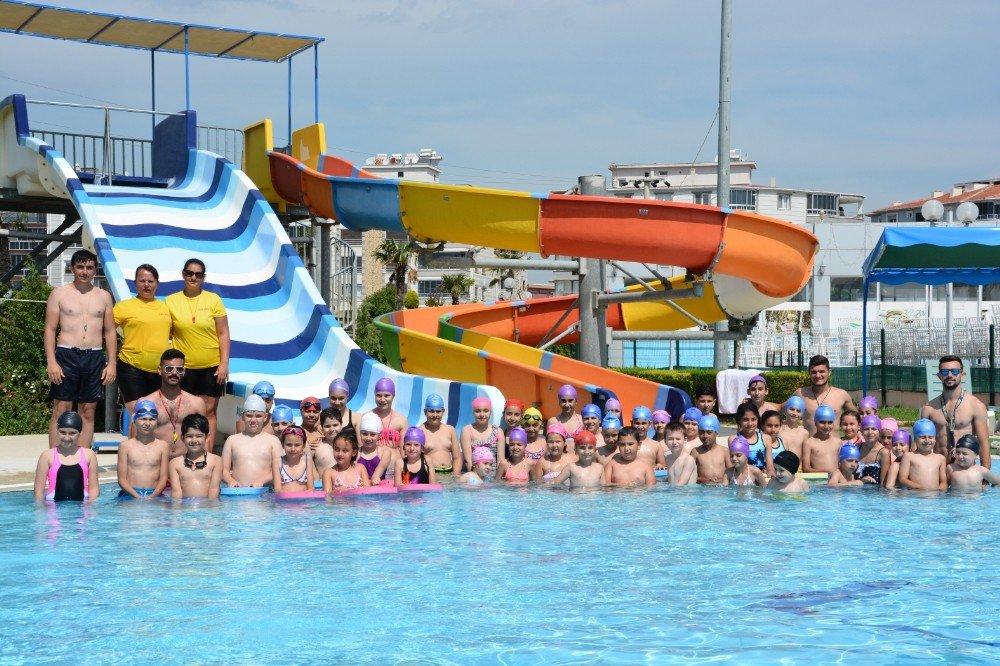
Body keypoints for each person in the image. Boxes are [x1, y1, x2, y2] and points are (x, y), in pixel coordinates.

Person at [45, 249, 116, 449]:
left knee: (88, 410)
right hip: (66, 354)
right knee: (61, 408)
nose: (85, 272)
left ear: (95, 270)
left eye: (89, 267)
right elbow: (50, 330)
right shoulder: (59, 294)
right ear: (72, 268)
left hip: (93, 356)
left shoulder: (103, 296)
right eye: (80, 267)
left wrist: (112, 364)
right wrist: (51, 361)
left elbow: (110, 332)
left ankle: (83, 462)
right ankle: (56, 461)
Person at [166, 258, 230, 447]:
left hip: (211, 365)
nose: (193, 277)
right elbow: (164, 332)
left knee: (208, 412)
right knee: (183, 412)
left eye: (198, 274)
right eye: (190, 273)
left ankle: (207, 457)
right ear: (183, 274)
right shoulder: (171, 300)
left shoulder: (213, 299)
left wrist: (224, 363)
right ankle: (182, 454)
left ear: (203, 277)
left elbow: (223, 333)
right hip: (184, 369)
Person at [113, 264, 171, 425]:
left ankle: (155, 450)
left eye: (150, 281)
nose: (146, 285)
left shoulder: (166, 307)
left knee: (157, 416)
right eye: (142, 281)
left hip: (159, 371)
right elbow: (107, 332)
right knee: (138, 414)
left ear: (157, 284)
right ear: (135, 283)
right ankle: (132, 450)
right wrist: (110, 361)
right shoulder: (123, 307)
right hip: (131, 367)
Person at [921, 355, 991, 469]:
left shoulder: (976, 406)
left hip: (965, 473)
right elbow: (918, 442)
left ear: (962, 375)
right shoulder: (929, 408)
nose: (949, 375)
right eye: (944, 371)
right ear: (939, 376)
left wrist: (985, 478)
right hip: (939, 471)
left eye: (954, 371)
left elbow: (984, 444)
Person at [139, 350, 207, 459]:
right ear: (160, 370)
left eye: (179, 369)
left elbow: (204, 439)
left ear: (183, 372)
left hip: (185, 464)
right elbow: (134, 441)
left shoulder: (197, 403)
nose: (174, 372)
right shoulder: (146, 403)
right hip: (156, 463)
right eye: (169, 368)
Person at [33, 411, 99, 502]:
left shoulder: (89, 455)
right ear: (57, 431)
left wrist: (91, 509)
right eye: (63, 432)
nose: (67, 438)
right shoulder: (47, 456)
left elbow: (94, 489)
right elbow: (38, 493)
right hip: (53, 509)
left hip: (82, 509)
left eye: (72, 433)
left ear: (79, 434)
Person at [220, 395, 281, 488]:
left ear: (265, 417)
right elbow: (223, 468)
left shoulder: (273, 441)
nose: (253, 420)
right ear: (242, 416)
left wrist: (262, 481)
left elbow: (280, 468)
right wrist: (230, 481)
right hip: (238, 494)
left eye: (258, 416)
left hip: (263, 495)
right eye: (249, 416)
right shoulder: (232, 440)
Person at [116, 400, 169, 499]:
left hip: (155, 494)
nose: (147, 423)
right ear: (134, 420)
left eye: (152, 419)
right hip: (130, 494)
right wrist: (137, 497)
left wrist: (152, 497)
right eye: (143, 419)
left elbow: (163, 479)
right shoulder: (125, 446)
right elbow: (121, 479)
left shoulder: (163, 446)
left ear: (157, 422)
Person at [791, 355, 857, 435]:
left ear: (829, 372)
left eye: (821, 371)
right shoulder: (800, 393)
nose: (818, 375)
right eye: (814, 372)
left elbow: (858, 419)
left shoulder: (841, 395)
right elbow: (781, 408)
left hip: (834, 447)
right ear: (809, 373)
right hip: (809, 446)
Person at [168, 413, 222, 500]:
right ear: (182, 438)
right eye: (189, 436)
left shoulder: (216, 461)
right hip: (184, 508)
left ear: (207, 437)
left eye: (199, 436)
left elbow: (214, 490)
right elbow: (176, 492)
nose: (194, 440)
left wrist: (211, 511)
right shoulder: (174, 463)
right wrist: (176, 511)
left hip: (206, 508)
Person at [418, 394, 463, 476]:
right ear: (425, 412)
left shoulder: (450, 430)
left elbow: (457, 458)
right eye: (431, 411)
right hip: (430, 474)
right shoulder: (419, 431)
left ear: (443, 412)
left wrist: (456, 476)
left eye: (438, 411)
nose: (435, 415)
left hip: (450, 473)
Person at [896, 419, 947, 490]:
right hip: (916, 496)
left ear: (935, 439)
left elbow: (944, 481)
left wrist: (940, 491)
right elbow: (902, 479)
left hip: (934, 497)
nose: (927, 440)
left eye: (930, 437)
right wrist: (921, 488)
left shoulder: (941, 459)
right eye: (923, 437)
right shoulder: (909, 456)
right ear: (915, 440)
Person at [727, 403, 774, 477]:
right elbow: (732, 466)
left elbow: (770, 466)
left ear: (758, 419)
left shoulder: (766, 439)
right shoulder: (733, 439)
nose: (750, 423)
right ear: (739, 420)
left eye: (753, 419)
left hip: (761, 477)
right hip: (742, 478)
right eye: (745, 419)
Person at [460, 397, 504, 475]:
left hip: (493, 476)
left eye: (486, 411)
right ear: (473, 412)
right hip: (474, 475)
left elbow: (501, 461)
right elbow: (468, 461)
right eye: (478, 411)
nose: (482, 414)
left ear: (490, 412)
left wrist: (497, 481)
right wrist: (475, 479)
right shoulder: (467, 431)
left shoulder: (498, 431)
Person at [323, 428, 371, 492]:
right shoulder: (329, 473)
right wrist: (336, 492)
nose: (340, 454)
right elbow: (327, 497)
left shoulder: (360, 468)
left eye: (345, 450)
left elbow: (369, 493)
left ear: (354, 452)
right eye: (336, 449)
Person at [272, 425, 315, 493]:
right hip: (284, 501)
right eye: (289, 445)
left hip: (303, 501)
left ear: (303, 445)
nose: (293, 449)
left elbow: (311, 488)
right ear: (282, 444)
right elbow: (277, 490)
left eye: (297, 445)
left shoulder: (307, 460)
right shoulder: (277, 462)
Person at [368, 377, 407, 448]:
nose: (382, 400)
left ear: (393, 396)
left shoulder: (402, 421)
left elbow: (403, 449)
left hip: (395, 458)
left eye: (387, 395)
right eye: (379, 395)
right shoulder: (367, 417)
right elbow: (361, 446)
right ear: (374, 395)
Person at [691, 414, 731, 484]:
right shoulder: (695, 452)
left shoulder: (725, 451)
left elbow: (732, 473)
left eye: (709, 432)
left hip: (721, 489)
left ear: (716, 433)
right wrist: (701, 479)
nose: (705, 436)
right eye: (702, 432)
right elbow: (688, 474)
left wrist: (723, 480)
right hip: (702, 489)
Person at [802, 405, 839, 474]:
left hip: (836, 481)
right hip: (819, 481)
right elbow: (806, 469)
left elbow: (843, 465)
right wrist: (827, 472)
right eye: (822, 422)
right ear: (815, 423)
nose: (826, 426)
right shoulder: (808, 443)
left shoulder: (838, 442)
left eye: (830, 422)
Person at [857, 415, 890, 485]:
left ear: (879, 431)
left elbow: (883, 483)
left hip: (875, 494)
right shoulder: (857, 448)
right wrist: (861, 481)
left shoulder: (883, 453)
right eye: (866, 429)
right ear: (861, 431)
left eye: (873, 429)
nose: (870, 432)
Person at [312, 407, 342, 477]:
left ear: (341, 425)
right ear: (321, 428)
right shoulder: (316, 446)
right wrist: (316, 481)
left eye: (335, 425)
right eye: (327, 426)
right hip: (322, 485)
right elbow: (308, 465)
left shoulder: (348, 445)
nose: (331, 429)